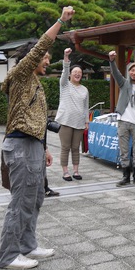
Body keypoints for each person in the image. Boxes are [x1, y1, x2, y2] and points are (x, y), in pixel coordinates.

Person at [0, 6, 74, 270]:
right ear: (35, 56)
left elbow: (35, 121)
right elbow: (40, 46)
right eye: (45, 57)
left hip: (32, 146)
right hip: (18, 147)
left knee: (36, 198)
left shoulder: (36, 84)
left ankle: (27, 245)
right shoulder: (20, 76)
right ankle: (8, 255)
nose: (47, 62)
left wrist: (44, 149)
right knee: (20, 201)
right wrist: (60, 21)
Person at [108, 51, 135, 187]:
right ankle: (125, 176)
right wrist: (112, 60)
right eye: (132, 70)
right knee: (124, 150)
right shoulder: (124, 83)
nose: (134, 73)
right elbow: (115, 73)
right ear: (129, 72)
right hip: (123, 121)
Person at [55, 48, 89, 181]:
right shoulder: (65, 85)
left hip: (79, 123)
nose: (77, 74)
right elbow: (64, 73)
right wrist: (66, 58)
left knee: (76, 147)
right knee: (65, 147)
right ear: (70, 74)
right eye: (75, 72)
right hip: (65, 121)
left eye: (79, 73)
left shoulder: (85, 89)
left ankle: (76, 171)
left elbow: (86, 107)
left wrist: (87, 121)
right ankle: (65, 172)